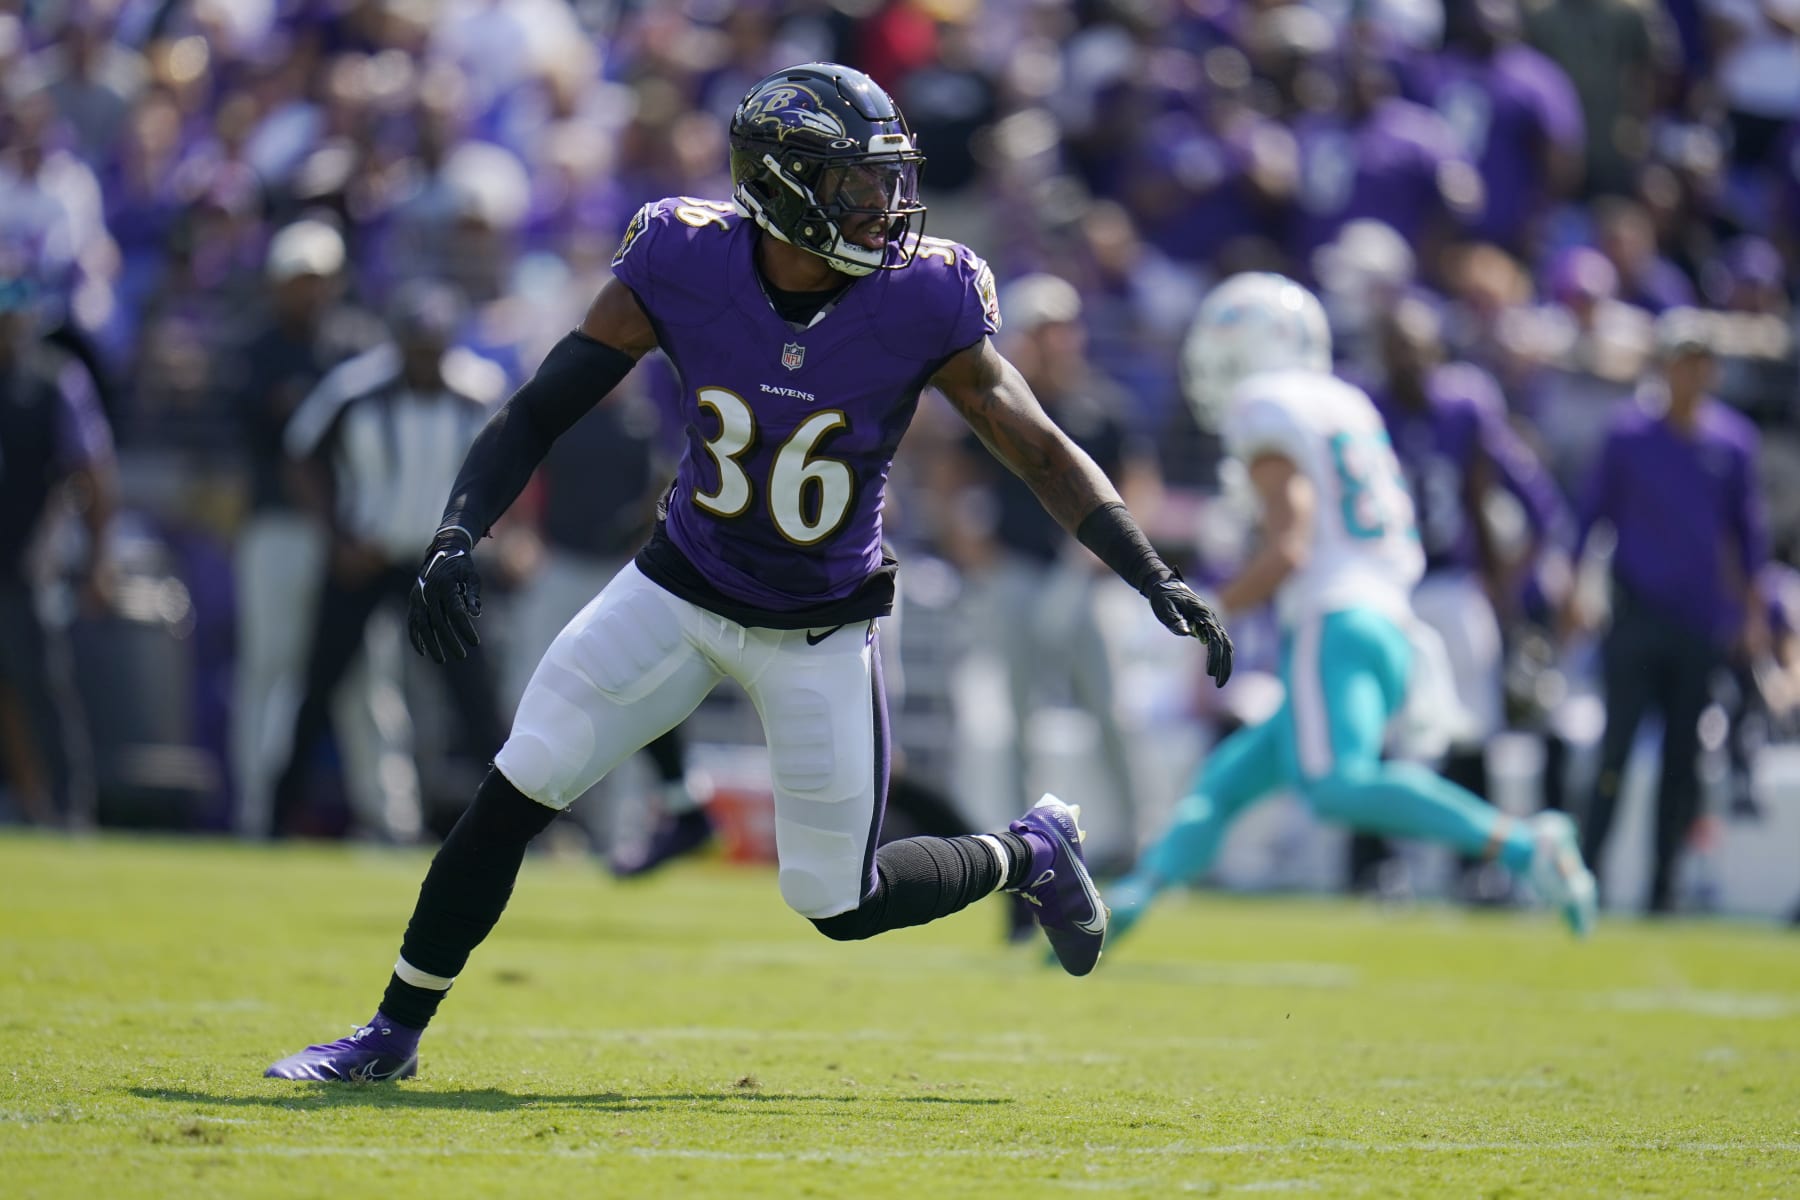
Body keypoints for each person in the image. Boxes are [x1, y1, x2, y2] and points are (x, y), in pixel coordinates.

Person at [265, 63, 1232, 1082]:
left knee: (836, 902)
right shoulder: (684, 259)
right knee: (520, 781)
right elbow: (542, 404)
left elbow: (1035, 445)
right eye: (854, 184)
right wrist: (461, 530)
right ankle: (391, 1037)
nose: (883, 208)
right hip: (679, 586)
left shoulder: (923, 294)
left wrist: (1147, 568)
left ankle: (1029, 852)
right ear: (779, 184)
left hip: (818, 622)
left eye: (886, 181)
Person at [1104, 273, 1596, 950]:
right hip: (1389, 617)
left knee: (1338, 786)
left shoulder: (1266, 406)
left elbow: (1289, 546)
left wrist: (1203, 610)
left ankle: (1525, 844)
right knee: (1232, 777)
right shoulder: (1346, 402)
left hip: (1336, 620)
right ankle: (1132, 898)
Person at [268, 280, 510, 839]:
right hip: (366, 555)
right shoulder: (356, 389)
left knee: (475, 698)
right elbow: (301, 458)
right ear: (397, 342)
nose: (424, 360)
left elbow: (509, 464)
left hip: (437, 561)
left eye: (433, 348)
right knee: (319, 684)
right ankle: (277, 816)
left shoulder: (479, 390)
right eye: (415, 347)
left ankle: (507, 826)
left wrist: (494, 534)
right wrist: (336, 536)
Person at [1351, 296, 1569, 896]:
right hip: (1388, 586)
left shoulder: (1466, 405)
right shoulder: (1363, 408)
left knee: (1474, 727)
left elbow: (1538, 501)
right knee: (1382, 730)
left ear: (1437, 349)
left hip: (1453, 581)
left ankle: (1480, 865)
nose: (1407, 360)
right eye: (1396, 348)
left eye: (1416, 347)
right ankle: (1375, 863)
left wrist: (1510, 583)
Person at [1564, 308, 1769, 914]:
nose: (1690, 372)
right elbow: (1591, 513)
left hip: (1700, 620)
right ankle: (1588, 873)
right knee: (1615, 751)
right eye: (1681, 359)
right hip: (1635, 614)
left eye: (1701, 360)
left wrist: (1754, 613)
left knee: (1683, 761)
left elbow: (1748, 535)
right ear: (1664, 365)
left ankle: (1663, 888)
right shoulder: (1628, 434)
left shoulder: (1733, 442)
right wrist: (1575, 583)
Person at [0, 266, 113, 828]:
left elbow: (92, 473)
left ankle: (69, 809)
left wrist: (97, 560)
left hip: (27, 562)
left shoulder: (52, 379)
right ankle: (30, 803)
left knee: (42, 688)